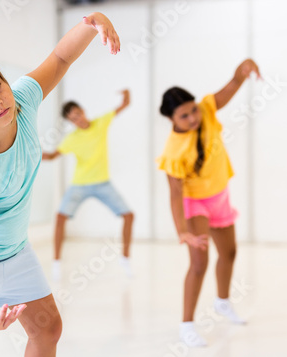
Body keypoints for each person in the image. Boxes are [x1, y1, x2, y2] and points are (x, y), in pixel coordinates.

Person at [0, 12, 120, 357]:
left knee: (48, 328)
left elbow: (60, 58)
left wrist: (93, 23)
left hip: (13, 250)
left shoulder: (23, 101)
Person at [157, 59, 260, 347]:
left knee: (229, 253)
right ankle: (186, 325)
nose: (193, 118)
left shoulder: (207, 109)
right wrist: (182, 231)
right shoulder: (173, 151)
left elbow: (233, 85)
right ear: (171, 119)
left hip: (220, 196)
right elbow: (175, 195)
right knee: (199, 262)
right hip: (195, 204)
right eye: (184, 116)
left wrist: (243, 70)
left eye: (192, 111)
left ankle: (223, 302)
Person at [42, 90, 134, 279]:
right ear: (71, 122)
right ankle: (57, 263)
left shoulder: (101, 122)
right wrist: (34, 153)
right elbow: (52, 156)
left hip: (102, 183)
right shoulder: (71, 139)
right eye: (73, 119)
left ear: (83, 111)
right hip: (80, 185)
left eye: (78, 114)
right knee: (60, 217)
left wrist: (126, 93)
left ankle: (125, 259)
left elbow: (124, 105)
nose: (78, 119)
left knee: (128, 215)